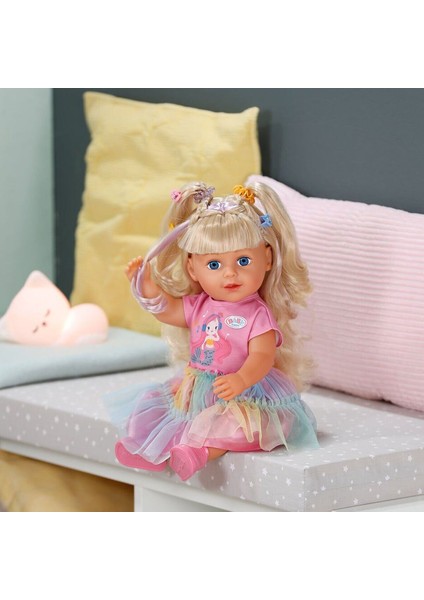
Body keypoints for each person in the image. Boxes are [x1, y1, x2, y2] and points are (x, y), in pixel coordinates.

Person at [106, 182, 319, 481]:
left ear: (267, 259)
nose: (230, 273)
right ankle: (147, 450)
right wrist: (146, 285)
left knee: (237, 425)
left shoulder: (257, 315)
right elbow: (168, 310)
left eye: (243, 261)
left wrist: (241, 379)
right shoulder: (200, 305)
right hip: (200, 389)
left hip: (244, 393)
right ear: (193, 269)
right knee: (156, 406)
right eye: (215, 264)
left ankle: (200, 453)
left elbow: (263, 355)